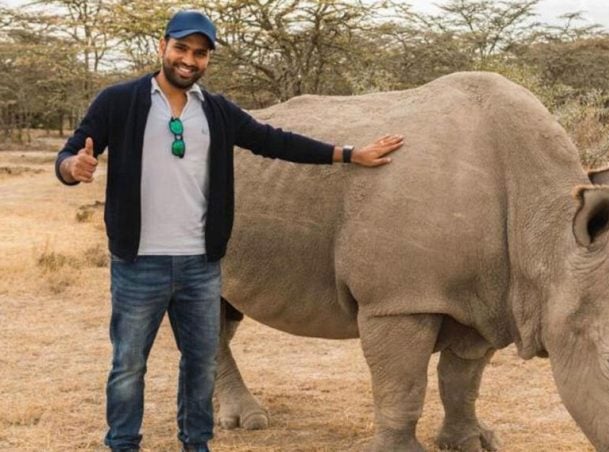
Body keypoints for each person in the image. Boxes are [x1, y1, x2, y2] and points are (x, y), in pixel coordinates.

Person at [54, 10, 403, 452]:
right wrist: (72, 167)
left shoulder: (216, 111)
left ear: (207, 60)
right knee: (128, 365)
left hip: (200, 263)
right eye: (181, 48)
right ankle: (123, 444)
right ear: (163, 46)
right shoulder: (118, 101)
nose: (189, 60)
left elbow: (276, 141)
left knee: (200, 366)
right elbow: (70, 152)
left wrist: (349, 154)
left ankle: (195, 444)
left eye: (200, 53)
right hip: (139, 261)